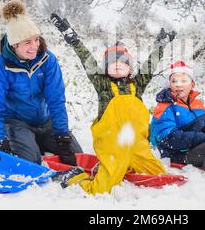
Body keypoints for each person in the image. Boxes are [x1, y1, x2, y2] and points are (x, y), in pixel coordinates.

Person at [50, 13, 176, 194]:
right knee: (102, 189)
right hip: (113, 148)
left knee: (158, 174)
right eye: (112, 63)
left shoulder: (137, 85)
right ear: (105, 67)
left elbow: (151, 63)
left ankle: (128, 168)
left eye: (123, 63)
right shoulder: (103, 85)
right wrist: (72, 38)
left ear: (130, 68)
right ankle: (76, 178)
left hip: (137, 148)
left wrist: (160, 45)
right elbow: (87, 59)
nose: (117, 65)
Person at [0, 0, 82, 165]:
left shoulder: (48, 60)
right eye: (28, 42)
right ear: (14, 45)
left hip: (45, 121)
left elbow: (56, 100)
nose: (35, 46)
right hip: (16, 122)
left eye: (36, 39)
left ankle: (34, 141)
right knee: (29, 160)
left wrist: (62, 135)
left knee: (75, 155)